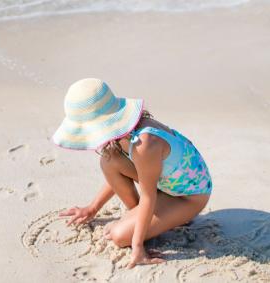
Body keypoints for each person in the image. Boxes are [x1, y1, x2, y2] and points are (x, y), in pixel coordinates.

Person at [52, 78, 212, 269]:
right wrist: (92, 208)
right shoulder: (129, 131)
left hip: (188, 197)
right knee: (109, 160)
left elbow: (148, 196)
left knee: (119, 236)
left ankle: (147, 226)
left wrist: (137, 247)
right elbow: (130, 176)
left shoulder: (145, 145)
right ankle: (143, 221)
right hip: (165, 184)